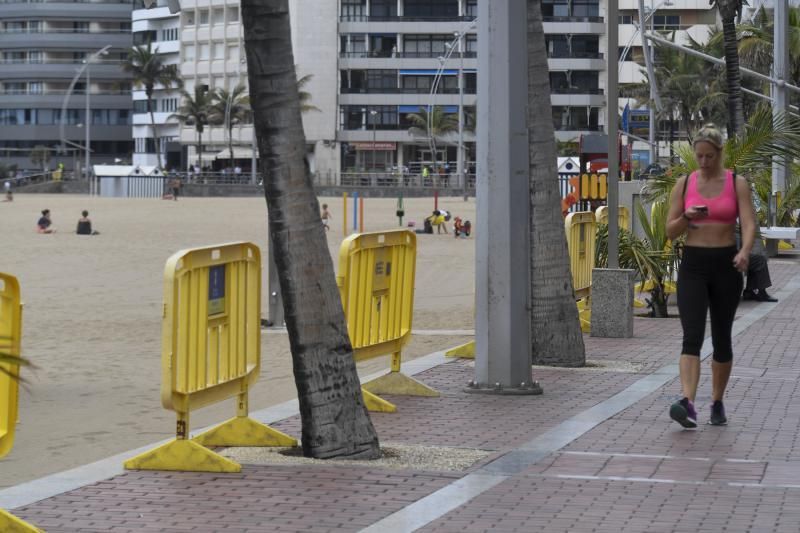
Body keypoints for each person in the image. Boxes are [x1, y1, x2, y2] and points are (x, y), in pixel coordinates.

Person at [666, 124, 756, 429]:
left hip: (726, 265)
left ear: (719, 153)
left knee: (721, 338)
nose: (703, 162)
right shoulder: (684, 183)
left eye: (709, 156)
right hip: (693, 265)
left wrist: (744, 251)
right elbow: (670, 231)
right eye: (699, 156)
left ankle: (717, 401)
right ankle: (688, 403)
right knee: (691, 336)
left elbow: (749, 222)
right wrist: (686, 217)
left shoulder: (736, 182)